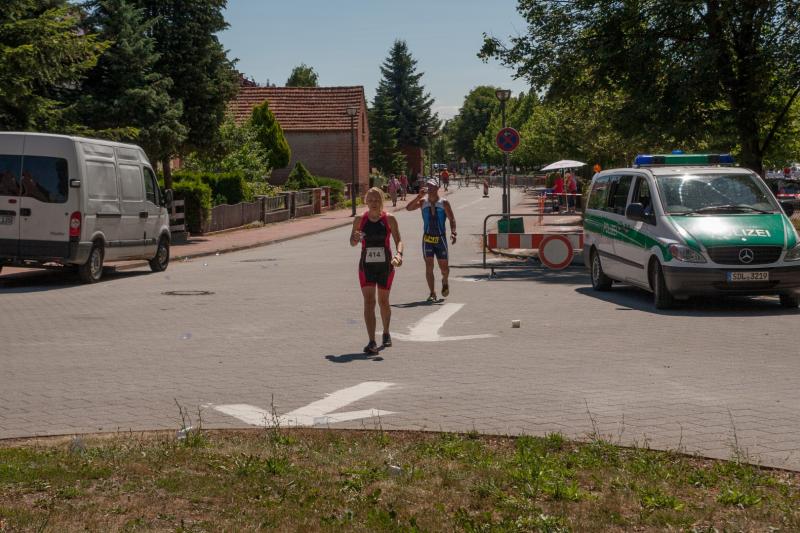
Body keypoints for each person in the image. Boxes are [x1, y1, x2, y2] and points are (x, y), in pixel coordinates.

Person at [350, 187, 404, 355]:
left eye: (377, 200)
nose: (374, 203)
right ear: (366, 201)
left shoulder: (389, 219)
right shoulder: (360, 219)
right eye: (371, 200)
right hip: (366, 266)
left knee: (383, 301)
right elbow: (352, 242)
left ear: (382, 201)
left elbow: (399, 240)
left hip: (385, 266)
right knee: (369, 302)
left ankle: (386, 332)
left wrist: (399, 254)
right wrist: (355, 239)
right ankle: (372, 341)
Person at [406, 179, 457, 302]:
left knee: (444, 268)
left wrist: (453, 232)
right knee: (429, 266)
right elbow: (408, 208)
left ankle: (445, 280)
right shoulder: (423, 202)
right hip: (427, 238)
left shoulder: (444, 203)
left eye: (432, 186)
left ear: (437, 188)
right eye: (428, 186)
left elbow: (451, 219)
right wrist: (419, 196)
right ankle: (432, 293)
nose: (430, 188)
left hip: (440, 239)